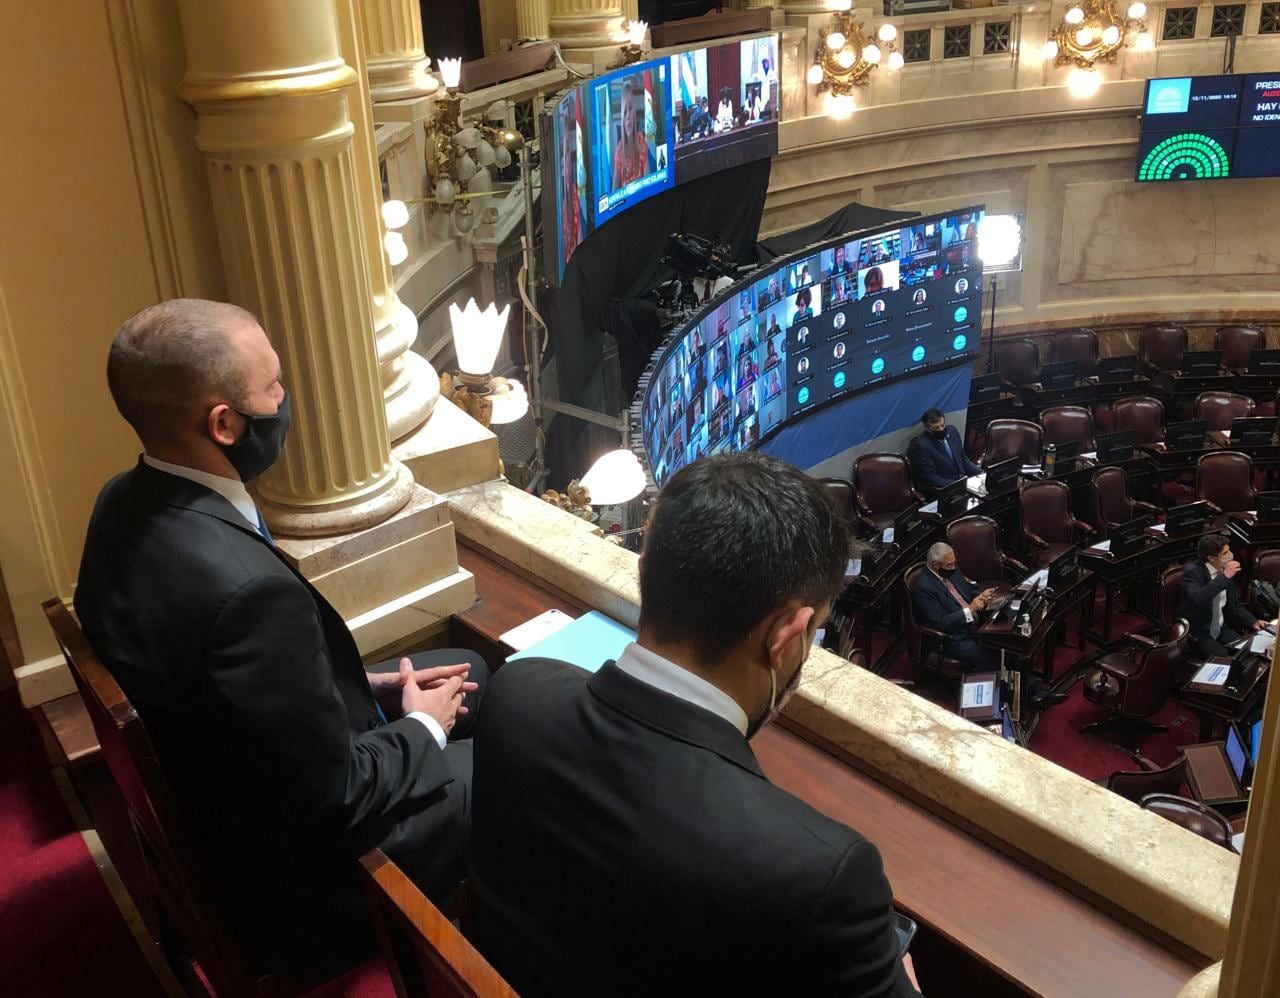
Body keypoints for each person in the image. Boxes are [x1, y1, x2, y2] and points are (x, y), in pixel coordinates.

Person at [74, 300, 486, 975]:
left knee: (470, 666)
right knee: (510, 758)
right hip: (304, 882)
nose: (285, 398)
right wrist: (423, 731)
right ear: (224, 423)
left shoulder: (121, 500)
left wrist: (364, 689)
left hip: (230, 786)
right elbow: (340, 800)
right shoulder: (248, 594)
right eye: (274, 387)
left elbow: (225, 689)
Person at [468, 452, 921, 998]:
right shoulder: (824, 872)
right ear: (787, 636)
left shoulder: (518, 691)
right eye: (816, 630)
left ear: (644, 572)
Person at [912, 543, 997, 672]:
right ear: (935, 565)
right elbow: (939, 623)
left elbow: (967, 590)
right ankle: (1003, 688)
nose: (953, 567)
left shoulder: (951, 571)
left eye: (954, 563)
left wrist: (981, 596)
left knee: (1003, 645)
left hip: (974, 625)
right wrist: (970, 609)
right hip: (954, 638)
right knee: (986, 658)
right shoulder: (924, 587)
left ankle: (1022, 685)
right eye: (949, 565)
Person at [1179, 534, 1264, 659]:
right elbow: (1199, 599)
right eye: (1225, 553)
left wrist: (1253, 622)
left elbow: (1235, 605)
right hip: (1200, 633)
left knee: (1249, 652)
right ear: (1212, 558)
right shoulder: (1192, 572)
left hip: (1221, 629)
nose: (1230, 554)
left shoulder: (1224, 571)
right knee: (1225, 659)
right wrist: (1224, 576)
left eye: (1229, 550)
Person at [909, 407, 981, 495]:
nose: (941, 429)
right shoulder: (922, 445)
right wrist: (957, 485)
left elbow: (962, 458)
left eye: (943, 425)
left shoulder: (952, 431)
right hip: (944, 488)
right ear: (927, 428)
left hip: (962, 480)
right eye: (936, 428)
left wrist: (980, 473)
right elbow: (930, 477)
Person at [611, 78, 649, 191]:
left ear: (635, 112)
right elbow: (614, 190)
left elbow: (648, 177)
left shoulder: (641, 140)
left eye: (631, 108)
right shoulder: (619, 150)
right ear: (622, 117)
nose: (628, 116)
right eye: (625, 111)